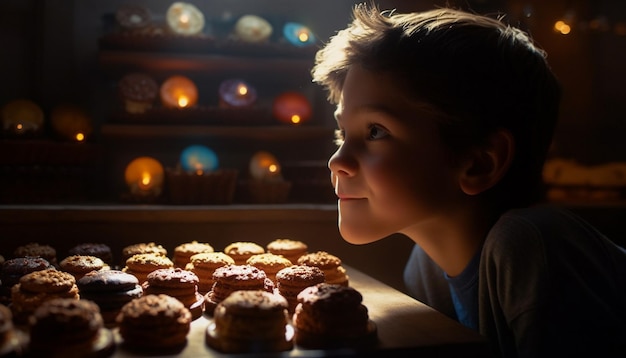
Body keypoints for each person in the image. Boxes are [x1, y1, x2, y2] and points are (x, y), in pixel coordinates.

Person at [311, 3, 626, 358]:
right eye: (342, 133)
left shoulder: (532, 247)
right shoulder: (426, 267)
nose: (338, 161)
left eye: (375, 131)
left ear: (479, 163)